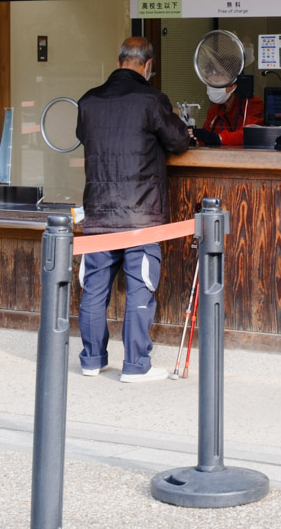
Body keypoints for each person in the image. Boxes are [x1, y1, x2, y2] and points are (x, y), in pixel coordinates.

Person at [74, 36, 191, 382]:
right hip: (140, 212)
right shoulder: (152, 100)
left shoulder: (89, 101)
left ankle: (91, 360)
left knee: (94, 289)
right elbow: (179, 141)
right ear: (148, 65)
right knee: (140, 285)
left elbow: (85, 136)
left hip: (98, 211)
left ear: (119, 59)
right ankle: (136, 364)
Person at [193, 78, 264, 147]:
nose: (213, 88)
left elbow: (250, 135)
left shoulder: (252, 104)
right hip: (218, 157)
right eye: (210, 84)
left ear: (233, 85)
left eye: (217, 82)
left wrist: (218, 138)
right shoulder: (214, 110)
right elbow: (206, 138)